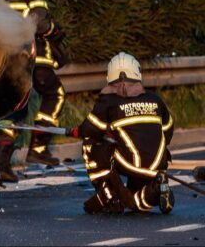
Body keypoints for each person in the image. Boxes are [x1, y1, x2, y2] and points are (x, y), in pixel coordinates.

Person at [0, 0, 66, 181]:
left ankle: (0, 163)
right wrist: (55, 31)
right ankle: (39, 150)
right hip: (34, 55)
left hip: (6, 59)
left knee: (15, 106)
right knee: (55, 94)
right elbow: (39, 21)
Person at [66, 52, 174, 214]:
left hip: (130, 163)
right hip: (156, 165)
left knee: (91, 142)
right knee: (137, 204)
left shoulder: (108, 101)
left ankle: (109, 194)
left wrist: (76, 131)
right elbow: (167, 131)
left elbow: (91, 129)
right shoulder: (155, 99)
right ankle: (155, 191)